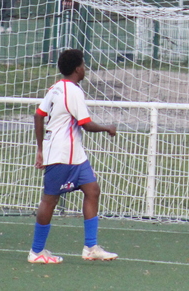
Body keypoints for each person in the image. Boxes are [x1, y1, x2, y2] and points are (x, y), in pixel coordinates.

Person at [28, 49, 118, 264]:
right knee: (50, 200)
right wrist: (108, 128)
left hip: (74, 154)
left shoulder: (56, 88)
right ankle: (36, 251)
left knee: (92, 190)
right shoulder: (71, 91)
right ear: (78, 68)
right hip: (62, 154)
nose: (85, 68)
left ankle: (91, 247)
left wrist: (40, 148)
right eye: (84, 64)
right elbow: (86, 125)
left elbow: (39, 115)